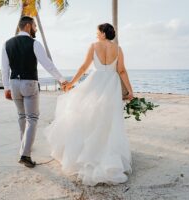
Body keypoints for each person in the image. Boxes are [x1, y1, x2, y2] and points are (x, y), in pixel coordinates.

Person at [44, 23, 134, 186]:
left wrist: (72, 83)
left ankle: (90, 154)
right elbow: (121, 71)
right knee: (108, 119)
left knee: (90, 116)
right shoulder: (118, 49)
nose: (96, 34)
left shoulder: (94, 46)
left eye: (98, 32)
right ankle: (106, 153)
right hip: (111, 84)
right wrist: (130, 91)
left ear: (104, 34)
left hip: (96, 81)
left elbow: (84, 67)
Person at [1, 16, 68, 168]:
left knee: (21, 116)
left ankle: (24, 145)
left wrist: (6, 88)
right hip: (29, 83)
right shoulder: (34, 43)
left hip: (14, 84)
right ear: (28, 26)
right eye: (35, 26)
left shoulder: (7, 43)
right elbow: (48, 65)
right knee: (32, 118)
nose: (36, 29)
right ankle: (25, 154)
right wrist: (62, 80)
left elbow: (4, 69)